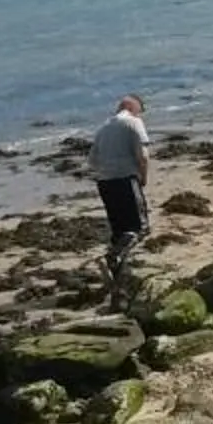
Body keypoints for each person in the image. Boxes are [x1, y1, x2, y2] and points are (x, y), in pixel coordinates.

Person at [90, 95, 152, 300]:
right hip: (125, 179)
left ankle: (118, 277)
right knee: (139, 228)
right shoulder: (134, 123)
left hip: (105, 183)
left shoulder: (102, 129)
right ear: (132, 108)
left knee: (119, 230)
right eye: (139, 110)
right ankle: (113, 258)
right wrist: (143, 177)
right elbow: (142, 155)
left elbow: (92, 161)